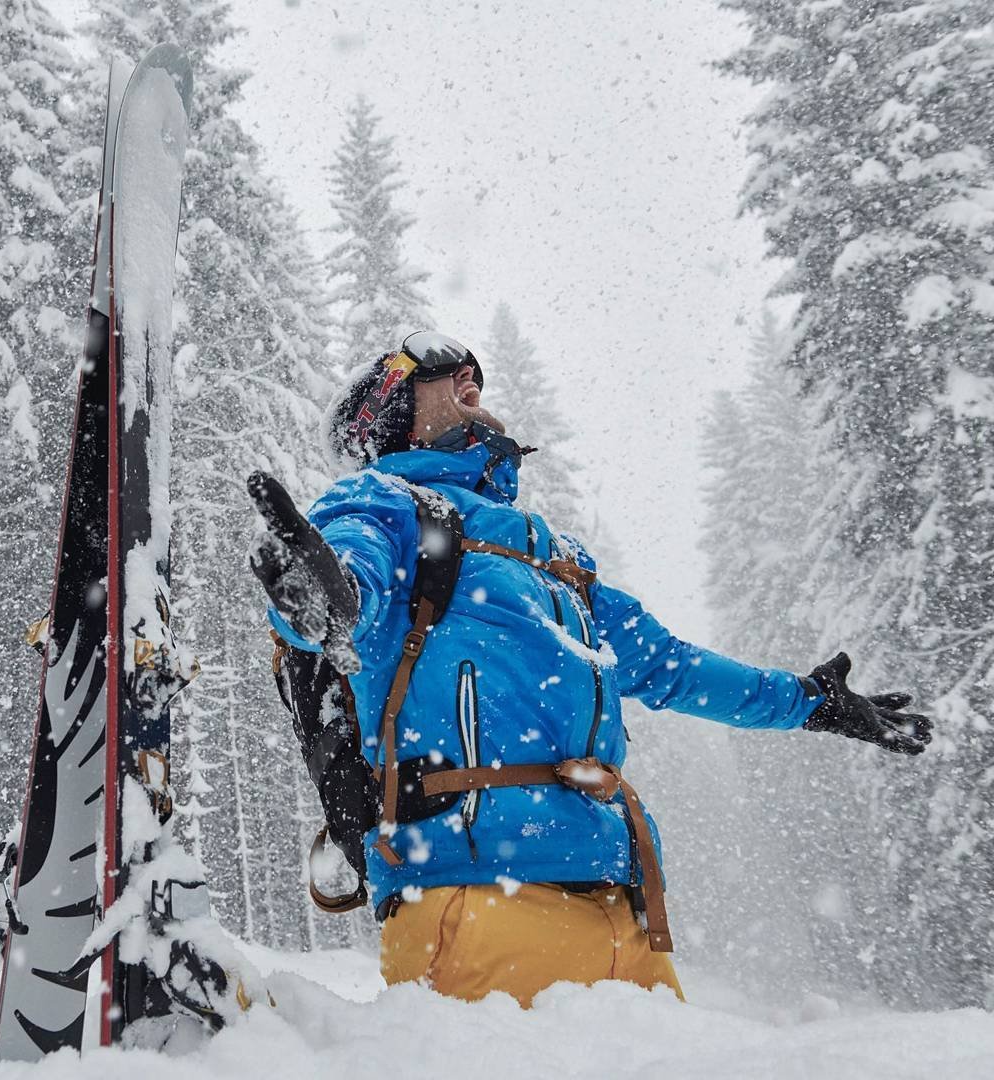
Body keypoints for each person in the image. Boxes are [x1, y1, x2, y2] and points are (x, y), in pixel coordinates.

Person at [248, 330, 932, 1008]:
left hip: (623, 910)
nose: (468, 369)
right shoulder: (382, 503)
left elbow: (670, 667)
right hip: (473, 898)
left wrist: (809, 702)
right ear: (388, 411)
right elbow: (342, 593)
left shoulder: (554, 553)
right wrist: (317, 598)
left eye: (471, 364)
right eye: (435, 360)